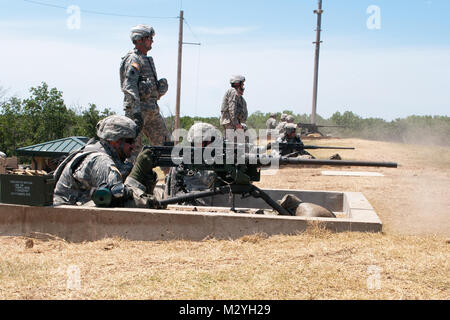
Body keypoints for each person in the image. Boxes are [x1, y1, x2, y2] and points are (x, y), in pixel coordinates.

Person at [53, 115, 162, 208]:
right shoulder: (101, 161)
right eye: (130, 141)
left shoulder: (113, 158)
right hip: (70, 217)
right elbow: (118, 198)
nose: (133, 146)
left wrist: (147, 177)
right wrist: (137, 173)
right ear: (115, 142)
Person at [120, 24, 170, 159]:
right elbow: (129, 86)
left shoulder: (146, 59)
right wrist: (136, 112)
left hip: (152, 110)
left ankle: (172, 178)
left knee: (166, 146)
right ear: (139, 39)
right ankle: (130, 178)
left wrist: (158, 89)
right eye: (149, 38)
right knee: (133, 150)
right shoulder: (133, 59)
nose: (152, 41)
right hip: (138, 112)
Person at [164, 122, 221, 206]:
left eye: (208, 142)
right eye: (199, 142)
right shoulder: (181, 165)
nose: (202, 146)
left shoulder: (219, 163)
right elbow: (171, 194)